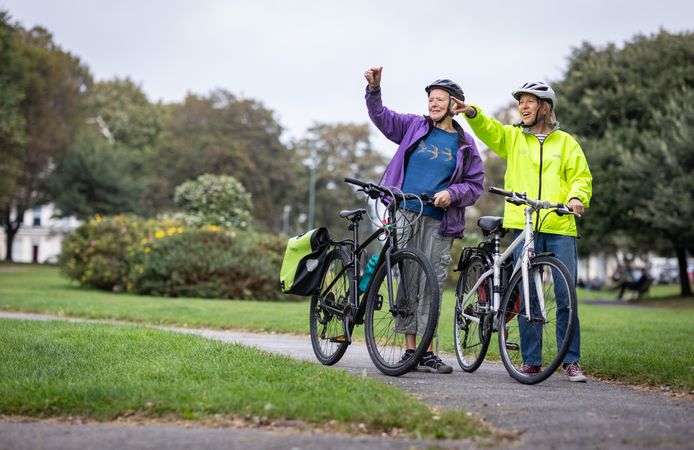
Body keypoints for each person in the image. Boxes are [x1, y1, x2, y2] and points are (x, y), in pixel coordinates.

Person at [451, 81, 592, 382]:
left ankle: (571, 361)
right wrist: (472, 112)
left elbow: (580, 177)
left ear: (545, 107)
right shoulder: (513, 137)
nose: (523, 107)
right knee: (530, 296)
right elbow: (491, 130)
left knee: (566, 296)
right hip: (523, 223)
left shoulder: (567, 143)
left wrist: (577, 198)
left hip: (559, 224)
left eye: (530, 102)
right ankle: (531, 361)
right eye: (521, 103)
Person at [364, 66, 484, 374]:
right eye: (430, 98)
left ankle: (428, 352)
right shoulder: (413, 127)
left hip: (439, 222)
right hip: (404, 211)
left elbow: (474, 185)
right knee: (408, 281)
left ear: (454, 105)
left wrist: (452, 193)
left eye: (440, 99)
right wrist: (374, 89)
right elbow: (381, 117)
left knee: (432, 283)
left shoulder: (465, 144)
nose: (433, 103)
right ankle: (409, 349)